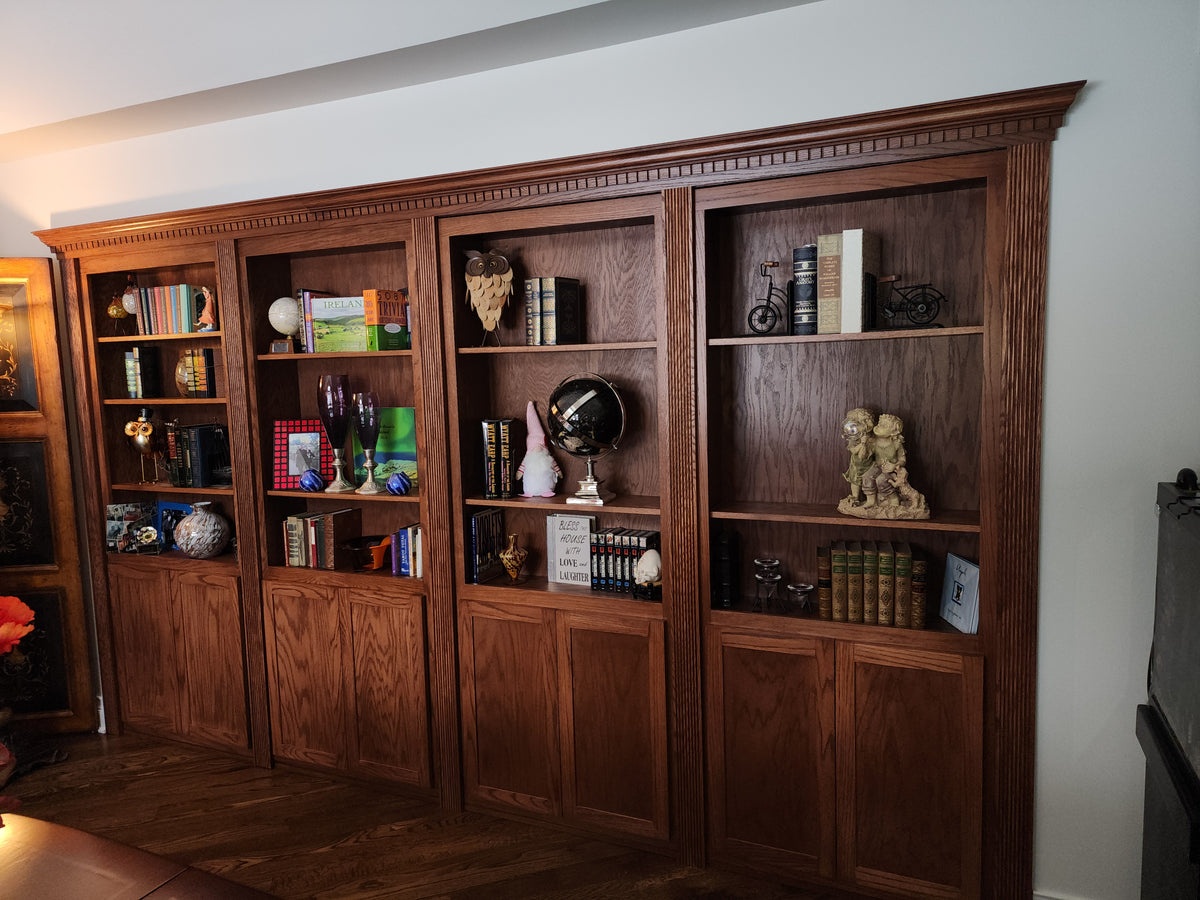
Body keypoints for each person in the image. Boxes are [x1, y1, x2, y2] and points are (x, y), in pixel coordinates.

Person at [840, 407, 875, 505]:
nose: (865, 425)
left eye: (867, 421)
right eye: (861, 422)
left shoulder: (873, 437)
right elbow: (854, 451)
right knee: (855, 481)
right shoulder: (854, 439)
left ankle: (871, 500)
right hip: (856, 465)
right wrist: (862, 444)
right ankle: (855, 496)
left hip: (869, 464)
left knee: (869, 481)